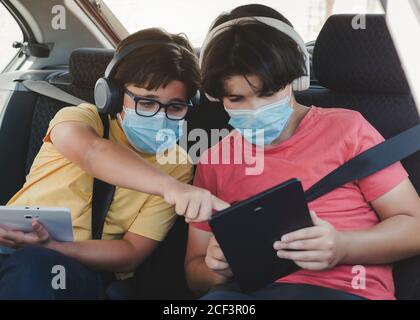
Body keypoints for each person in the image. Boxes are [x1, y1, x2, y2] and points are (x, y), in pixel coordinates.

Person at [185, 4, 420, 300]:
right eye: (236, 98)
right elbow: (194, 276)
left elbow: (415, 228)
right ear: (215, 96)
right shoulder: (216, 159)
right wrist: (217, 269)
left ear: (296, 80)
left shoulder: (348, 129)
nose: (255, 109)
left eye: (268, 92)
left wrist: (342, 246)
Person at [0, 28, 228, 299]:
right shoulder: (79, 119)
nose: (160, 116)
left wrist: (53, 247)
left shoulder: (176, 164)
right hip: (6, 246)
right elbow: (92, 153)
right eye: (146, 103)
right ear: (113, 95)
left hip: (73, 266)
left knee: (33, 267)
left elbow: (131, 252)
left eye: (175, 108)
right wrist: (170, 188)